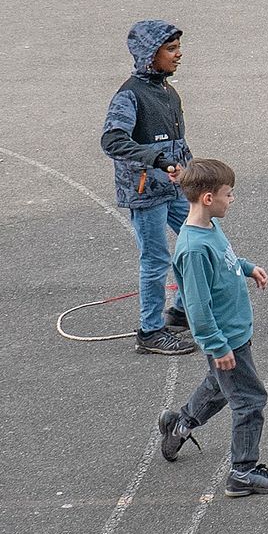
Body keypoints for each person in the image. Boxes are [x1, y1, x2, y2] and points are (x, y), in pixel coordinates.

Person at [154, 159, 268, 497]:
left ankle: (180, 423)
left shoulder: (208, 229)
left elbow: (225, 258)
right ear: (209, 198)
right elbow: (198, 308)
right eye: (230, 194)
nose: (233, 199)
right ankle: (243, 472)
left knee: (218, 386)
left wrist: (246, 267)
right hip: (226, 339)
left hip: (234, 334)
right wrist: (217, 345)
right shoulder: (194, 248)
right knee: (249, 400)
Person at [100, 19, 197, 356]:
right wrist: (156, 160)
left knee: (201, 238)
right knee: (156, 260)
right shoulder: (130, 95)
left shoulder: (167, 90)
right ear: (149, 54)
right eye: (171, 49)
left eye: (177, 47)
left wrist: (191, 172)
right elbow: (112, 140)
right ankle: (150, 330)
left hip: (174, 188)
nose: (179, 55)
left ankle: (181, 311)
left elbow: (178, 142)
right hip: (146, 193)